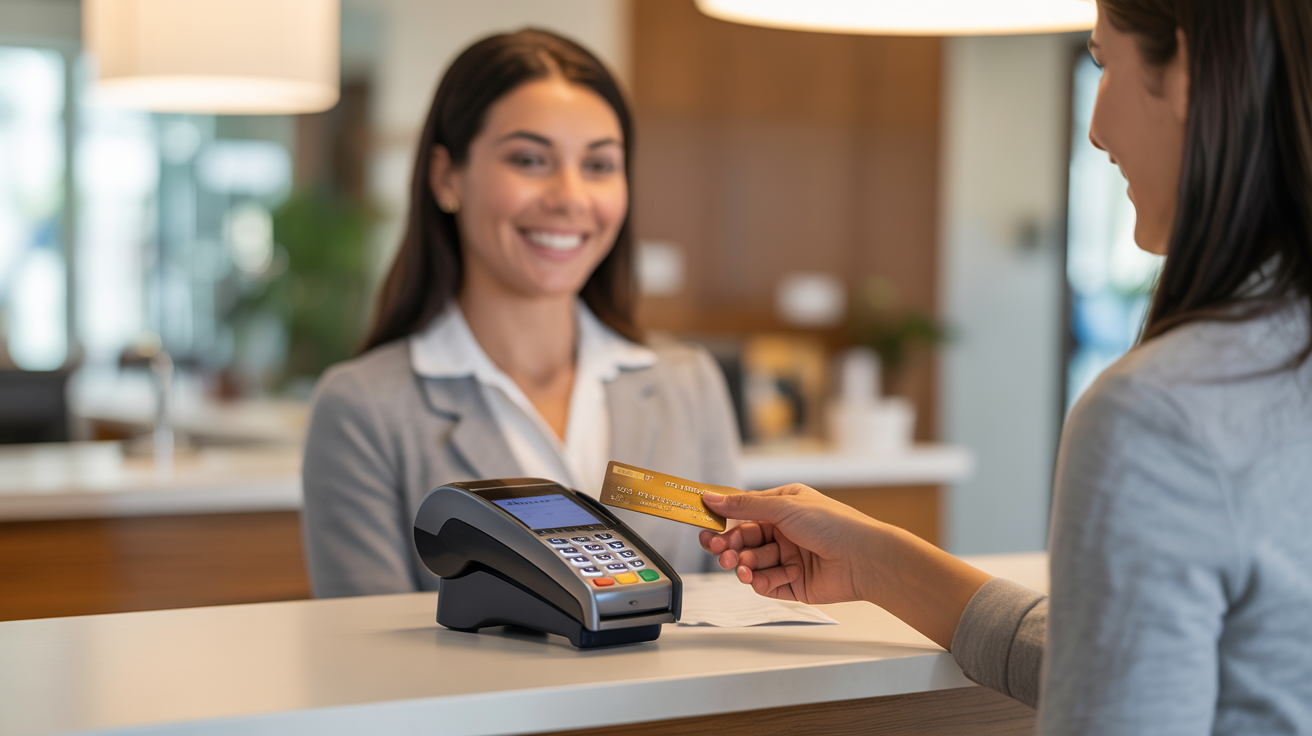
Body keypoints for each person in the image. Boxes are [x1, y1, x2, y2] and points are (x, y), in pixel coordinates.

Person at [699, 0, 1312, 733]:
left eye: (1103, 62)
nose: (1094, 129)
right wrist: (875, 562)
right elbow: (1140, 669)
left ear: (1184, 71)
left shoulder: (1158, 413)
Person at [301, 29, 740, 597]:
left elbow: (722, 611)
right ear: (446, 176)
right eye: (530, 160)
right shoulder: (364, 410)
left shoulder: (687, 386)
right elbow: (363, 642)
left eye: (599, 164)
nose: (571, 197)